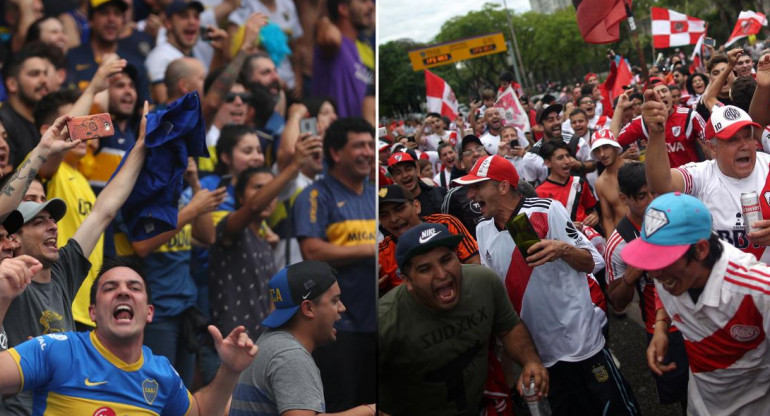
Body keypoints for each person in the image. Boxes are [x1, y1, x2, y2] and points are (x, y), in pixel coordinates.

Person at [458, 155, 640, 415]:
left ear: (502, 186)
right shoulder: (483, 229)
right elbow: (497, 291)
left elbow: (592, 262)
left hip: (580, 343)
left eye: (477, 186)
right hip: (538, 355)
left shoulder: (546, 209)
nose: (470, 194)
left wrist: (563, 249)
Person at [0, 256, 259, 415]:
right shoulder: (58, 350)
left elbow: (201, 414)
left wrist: (230, 370)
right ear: (92, 311)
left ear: (149, 312)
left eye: (134, 288)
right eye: (110, 288)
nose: (123, 292)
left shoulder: (162, 373)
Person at [621, 192, 770, 415]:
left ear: (701, 249)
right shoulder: (669, 274)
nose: (653, 272)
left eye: (663, 260)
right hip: (700, 405)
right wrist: (660, 328)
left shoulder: (758, 290)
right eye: (650, 258)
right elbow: (662, 291)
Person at [378, 222, 548, 415]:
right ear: (407, 280)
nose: (441, 274)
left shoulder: (484, 282)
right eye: (425, 269)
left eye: (446, 259)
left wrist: (531, 361)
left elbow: (508, 327)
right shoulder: (384, 322)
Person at [292, 117, 375, 411]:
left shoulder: (374, 193)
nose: (367, 151)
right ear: (336, 153)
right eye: (358, 146)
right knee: (343, 405)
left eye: (370, 144)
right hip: (339, 326)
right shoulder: (315, 195)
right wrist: (369, 249)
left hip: (378, 320)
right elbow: (311, 249)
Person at [230, 260, 375, 415]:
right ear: (308, 308)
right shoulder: (290, 356)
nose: (342, 308)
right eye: (334, 300)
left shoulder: (269, 342)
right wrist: (370, 411)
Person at [643, 94, 770, 264]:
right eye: (733, 140)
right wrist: (657, 133)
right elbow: (660, 183)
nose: (744, 145)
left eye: (748, 136)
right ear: (713, 148)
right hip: (727, 285)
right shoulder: (701, 175)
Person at [603, 163, 689, 409]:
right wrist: (631, 276)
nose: (652, 200)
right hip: (666, 330)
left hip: (699, 312)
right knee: (685, 395)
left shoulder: (677, 215)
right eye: (642, 196)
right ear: (623, 198)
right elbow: (617, 302)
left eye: (655, 192)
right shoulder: (619, 243)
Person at [378, 184, 478, 294]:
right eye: (384, 214)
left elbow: (475, 264)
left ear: (416, 206)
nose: (393, 218)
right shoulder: (381, 254)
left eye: (399, 209)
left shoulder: (446, 224)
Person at [615, 77, 708, 169]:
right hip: (662, 182)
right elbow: (611, 141)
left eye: (664, 90)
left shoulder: (690, 116)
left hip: (693, 180)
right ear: (648, 101)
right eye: (656, 93)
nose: (662, 95)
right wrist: (619, 108)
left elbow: (712, 145)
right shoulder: (642, 122)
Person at [313, 0, 375, 120]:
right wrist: (325, 18)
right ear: (343, 9)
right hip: (336, 134)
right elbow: (330, 37)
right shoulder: (333, 42)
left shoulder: (356, 48)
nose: (371, 5)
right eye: (363, 1)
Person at [535, 141, 599, 231]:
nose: (567, 161)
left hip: (588, 239)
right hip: (562, 243)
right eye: (560, 158)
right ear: (548, 163)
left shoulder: (579, 182)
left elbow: (591, 210)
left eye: (568, 156)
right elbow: (542, 228)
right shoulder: (539, 193)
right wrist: (565, 227)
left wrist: (594, 216)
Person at [591, 129, 630, 237]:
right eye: (597, 150)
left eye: (606, 147)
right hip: (624, 236)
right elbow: (607, 219)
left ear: (615, 148)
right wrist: (610, 249)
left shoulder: (636, 168)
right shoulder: (600, 183)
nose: (602, 154)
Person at [387, 151, 446, 216]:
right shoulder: (392, 207)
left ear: (417, 170)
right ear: (393, 178)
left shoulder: (440, 193)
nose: (405, 175)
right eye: (398, 172)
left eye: (408, 169)